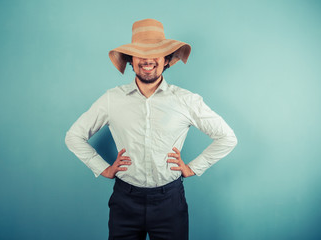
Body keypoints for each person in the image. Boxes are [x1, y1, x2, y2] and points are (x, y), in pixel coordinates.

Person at [65, 18, 237, 240]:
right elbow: (74, 136)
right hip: (124, 201)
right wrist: (102, 168)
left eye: (155, 53)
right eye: (140, 53)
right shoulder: (111, 99)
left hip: (170, 202)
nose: (147, 60)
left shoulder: (186, 100)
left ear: (166, 60)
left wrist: (192, 168)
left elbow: (227, 137)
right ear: (130, 61)